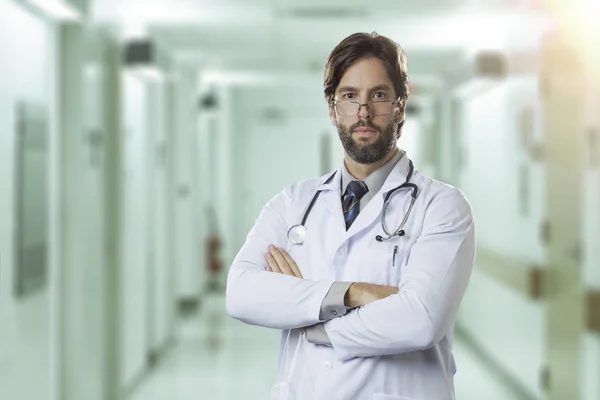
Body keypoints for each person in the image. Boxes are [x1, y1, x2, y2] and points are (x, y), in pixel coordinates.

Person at [226, 31, 475, 400]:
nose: (363, 111)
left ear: (400, 106)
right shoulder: (293, 203)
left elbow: (420, 320)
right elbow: (241, 293)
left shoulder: (442, 206)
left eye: (378, 95)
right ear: (332, 108)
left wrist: (309, 320)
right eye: (349, 96)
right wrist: (353, 293)